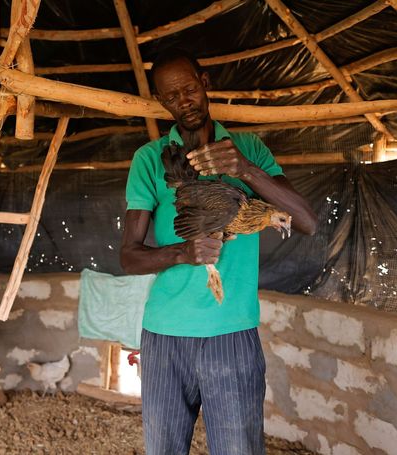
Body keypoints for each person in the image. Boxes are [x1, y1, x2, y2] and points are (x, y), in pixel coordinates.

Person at [120, 48, 317, 455]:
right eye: (171, 97)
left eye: (190, 89)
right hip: (164, 335)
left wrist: (243, 168)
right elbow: (129, 257)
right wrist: (182, 253)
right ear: (161, 101)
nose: (184, 101)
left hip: (232, 332)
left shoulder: (248, 148)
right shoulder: (150, 160)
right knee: (164, 448)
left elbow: (306, 222)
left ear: (205, 83)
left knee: (238, 449)